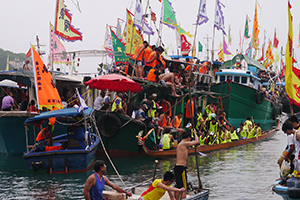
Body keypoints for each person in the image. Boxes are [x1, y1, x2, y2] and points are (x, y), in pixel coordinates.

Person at [174, 130, 199, 199]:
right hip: (181, 168)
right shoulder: (184, 143)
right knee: (183, 188)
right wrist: (195, 133)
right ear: (188, 138)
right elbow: (197, 142)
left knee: (178, 187)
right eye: (190, 138)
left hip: (177, 167)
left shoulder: (181, 143)